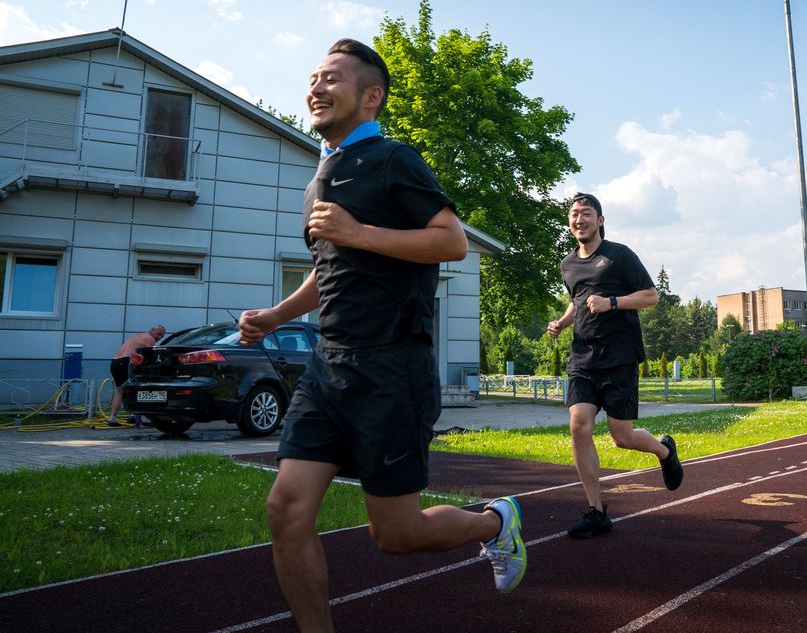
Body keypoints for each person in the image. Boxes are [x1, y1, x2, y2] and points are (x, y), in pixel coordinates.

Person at [239, 39, 525, 632]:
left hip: (392, 366)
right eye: (313, 78)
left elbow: (451, 242)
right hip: (328, 366)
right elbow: (331, 269)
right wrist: (276, 315)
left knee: (396, 534)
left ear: (371, 97)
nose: (316, 87)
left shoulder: (395, 159)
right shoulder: (319, 177)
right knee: (286, 510)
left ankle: (496, 522)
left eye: (333, 79)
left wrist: (359, 230)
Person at [547, 192, 683, 539]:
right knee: (579, 425)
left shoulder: (619, 255)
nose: (580, 220)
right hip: (582, 358)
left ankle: (664, 450)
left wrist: (612, 302)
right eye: (575, 214)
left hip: (619, 358)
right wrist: (563, 322)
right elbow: (577, 302)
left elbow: (651, 296)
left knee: (622, 437)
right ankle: (596, 511)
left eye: (587, 214)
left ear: (600, 221)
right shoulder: (567, 264)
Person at [107, 325, 165, 426]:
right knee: (139, 388)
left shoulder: (136, 336)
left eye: (162, 336)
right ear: (152, 330)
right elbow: (150, 356)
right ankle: (140, 418)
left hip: (115, 362)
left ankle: (112, 419)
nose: (159, 337)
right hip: (126, 362)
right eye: (159, 334)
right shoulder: (150, 339)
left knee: (121, 391)